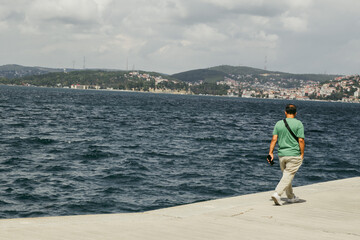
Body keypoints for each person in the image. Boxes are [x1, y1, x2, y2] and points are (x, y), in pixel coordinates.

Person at [268, 104, 305, 205]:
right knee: (288, 175)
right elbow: (301, 140)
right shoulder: (299, 124)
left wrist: (270, 152)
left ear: (285, 112)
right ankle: (277, 193)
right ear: (296, 113)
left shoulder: (279, 124)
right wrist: (302, 153)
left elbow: (274, 139)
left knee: (287, 175)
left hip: (282, 155)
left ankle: (291, 197)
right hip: (293, 154)